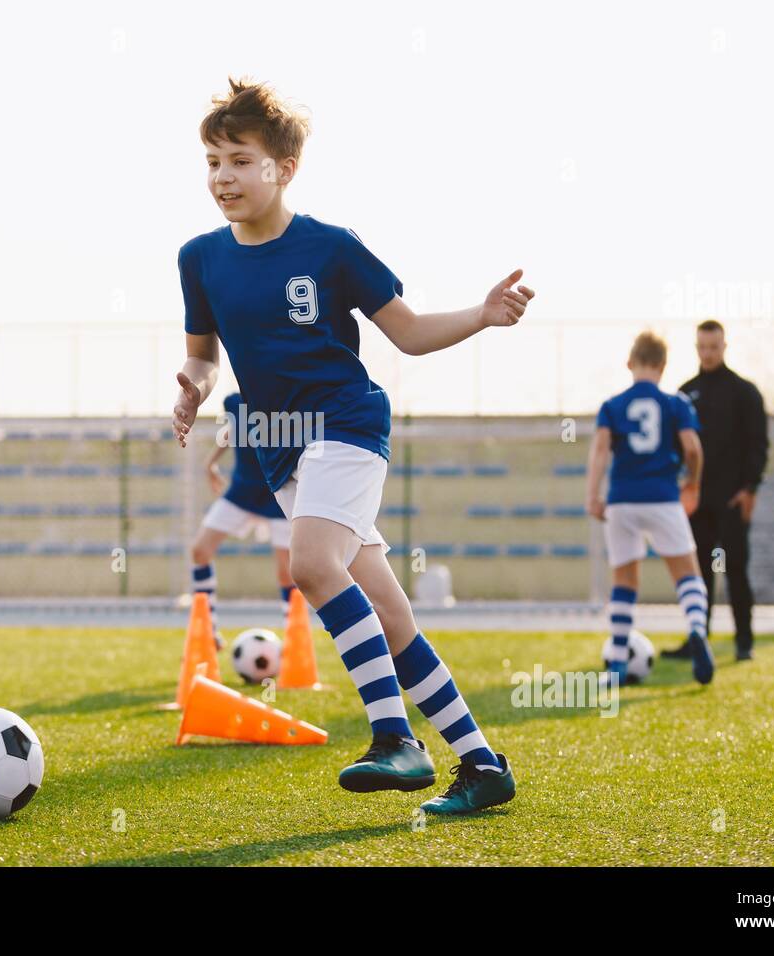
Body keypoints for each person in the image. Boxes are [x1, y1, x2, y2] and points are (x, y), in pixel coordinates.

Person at [171, 77, 534, 815]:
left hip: (347, 424)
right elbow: (204, 353)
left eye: (240, 159)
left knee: (310, 564)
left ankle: (394, 738)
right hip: (280, 449)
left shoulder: (332, 249)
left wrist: (482, 314)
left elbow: (408, 333)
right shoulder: (198, 257)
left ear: (283, 168)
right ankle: (481, 764)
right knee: (389, 612)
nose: (222, 177)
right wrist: (194, 384)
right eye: (212, 161)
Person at [586, 331, 715, 686]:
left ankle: (615, 663)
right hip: (662, 496)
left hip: (623, 499)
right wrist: (692, 484)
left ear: (630, 363)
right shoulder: (677, 404)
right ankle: (696, 630)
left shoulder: (612, 406)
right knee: (688, 575)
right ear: (663, 365)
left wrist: (592, 495)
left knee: (624, 581)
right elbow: (692, 449)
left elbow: (599, 452)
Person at [664, 319, 768, 662]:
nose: (708, 353)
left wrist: (749, 488)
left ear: (724, 347)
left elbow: (758, 444)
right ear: (697, 348)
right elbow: (677, 448)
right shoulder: (684, 392)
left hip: (732, 499)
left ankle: (744, 642)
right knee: (699, 572)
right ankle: (699, 640)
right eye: (702, 347)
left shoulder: (744, 391)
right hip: (696, 501)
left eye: (714, 347)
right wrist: (681, 487)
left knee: (736, 569)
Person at [190, 391, 297, 647]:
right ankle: (208, 630)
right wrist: (211, 462)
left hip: (279, 492)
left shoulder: (288, 398)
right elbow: (233, 428)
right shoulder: (234, 402)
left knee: (288, 573)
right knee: (200, 551)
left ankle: (295, 640)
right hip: (243, 490)